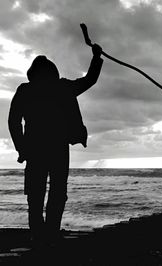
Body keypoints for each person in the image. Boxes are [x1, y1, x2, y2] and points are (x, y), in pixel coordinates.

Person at [8, 43, 103, 246]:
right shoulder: (63, 87)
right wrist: (96, 57)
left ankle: (39, 234)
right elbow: (90, 80)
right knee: (57, 192)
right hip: (58, 148)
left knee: (35, 194)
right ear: (53, 72)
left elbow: (13, 121)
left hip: (34, 149)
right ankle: (50, 232)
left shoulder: (26, 90)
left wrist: (21, 147)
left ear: (32, 74)